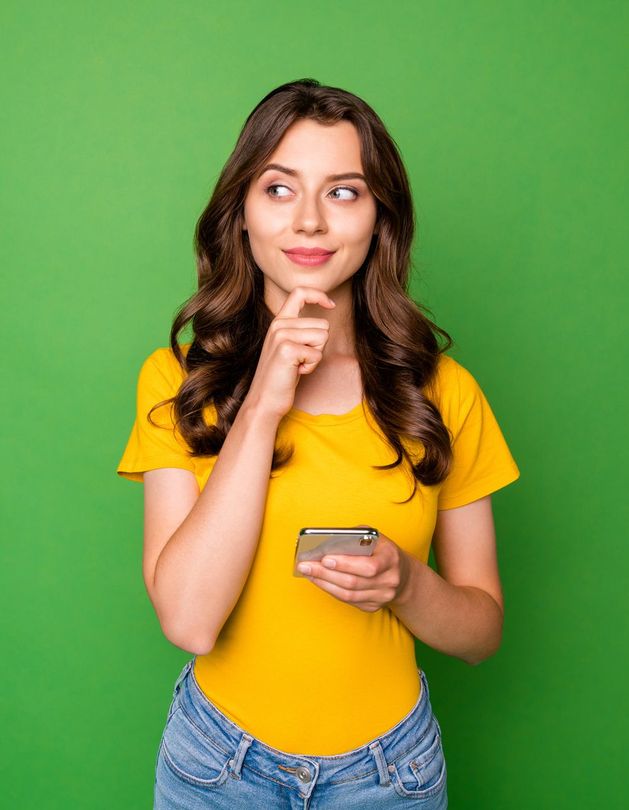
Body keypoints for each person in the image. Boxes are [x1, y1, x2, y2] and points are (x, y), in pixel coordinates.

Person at [116, 78, 520, 809]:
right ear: (240, 213)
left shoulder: (444, 390)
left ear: (378, 219)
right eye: (278, 189)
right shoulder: (175, 379)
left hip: (390, 776)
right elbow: (188, 620)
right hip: (217, 769)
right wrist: (264, 405)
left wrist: (406, 584)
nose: (308, 221)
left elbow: (480, 633)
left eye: (342, 192)